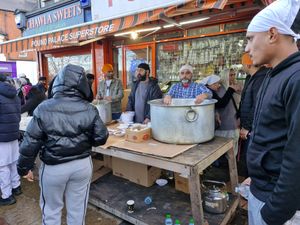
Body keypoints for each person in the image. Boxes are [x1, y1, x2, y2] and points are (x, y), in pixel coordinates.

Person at [17, 64, 109, 225]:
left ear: (57, 83)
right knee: (78, 209)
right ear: (82, 86)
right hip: (82, 165)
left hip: (54, 168)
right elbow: (101, 137)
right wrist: (86, 141)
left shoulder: (44, 108)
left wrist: (24, 168)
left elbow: (30, 142)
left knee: (51, 210)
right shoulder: (90, 109)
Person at [244, 0, 300, 224]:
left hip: (278, 209)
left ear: (272, 34)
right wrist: (257, 179)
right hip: (261, 192)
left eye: (250, 38)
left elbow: (296, 156)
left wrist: (274, 212)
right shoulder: (274, 74)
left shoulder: (296, 78)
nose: (247, 48)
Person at [237, 53, 268, 177]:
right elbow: (245, 101)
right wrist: (240, 118)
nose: (242, 67)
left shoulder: (260, 79)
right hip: (249, 126)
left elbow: (257, 106)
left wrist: (247, 127)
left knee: (252, 159)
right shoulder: (251, 77)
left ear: (248, 64)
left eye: (243, 64)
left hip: (254, 129)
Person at [202, 74, 240, 156]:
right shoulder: (209, 92)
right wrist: (230, 90)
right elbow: (221, 104)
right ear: (211, 84)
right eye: (217, 84)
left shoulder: (209, 90)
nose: (218, 86)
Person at [0, 74, 22, 206]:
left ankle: (6, 195)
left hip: (2, 136)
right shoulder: (13, 93)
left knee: (2, 166)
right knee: (13, 163)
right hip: (13, 134)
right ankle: (16, 187)